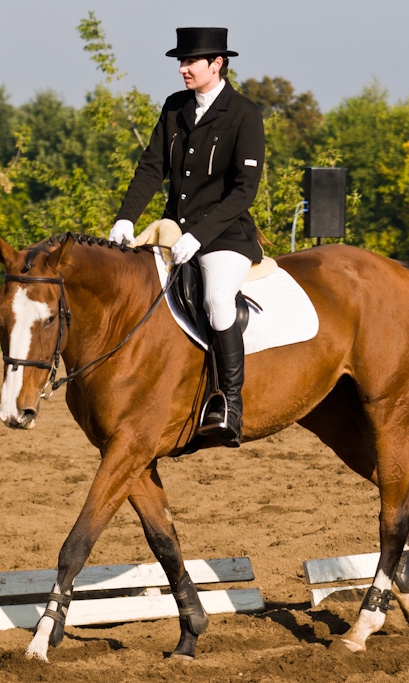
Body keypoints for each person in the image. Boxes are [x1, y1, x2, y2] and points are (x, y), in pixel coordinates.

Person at [108, 27, 265, 448]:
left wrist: (200, 235)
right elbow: (150, 167)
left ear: (216, 64)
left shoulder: (244, 114)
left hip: (225, 235)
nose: (182, 69)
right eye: (180, 62)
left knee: (216, 300)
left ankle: (229, 403)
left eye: (189, 62)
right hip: (172, 231)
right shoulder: (175, 108)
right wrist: (126, 218)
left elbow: (244, 190)